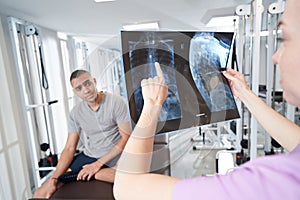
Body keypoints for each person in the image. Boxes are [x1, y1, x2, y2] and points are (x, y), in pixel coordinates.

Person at [113, 0, 300, 198]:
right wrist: (245, 94)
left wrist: (151, 106)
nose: (275, 57)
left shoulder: (267, 182)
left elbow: (126, 187)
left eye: (284, 39)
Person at [33, 69, 130, 198]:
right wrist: (54, 179)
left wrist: (97, 165)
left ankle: (97, 173)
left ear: (94, 81)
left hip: (114, 156)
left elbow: (126, 139)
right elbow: (69, 148)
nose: (86, 90)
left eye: (88, 83)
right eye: (79, 88)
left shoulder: (116, 103)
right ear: (75, 92)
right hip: (89, 156)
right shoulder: (76, 113)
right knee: (40, 192)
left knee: (128, 177)